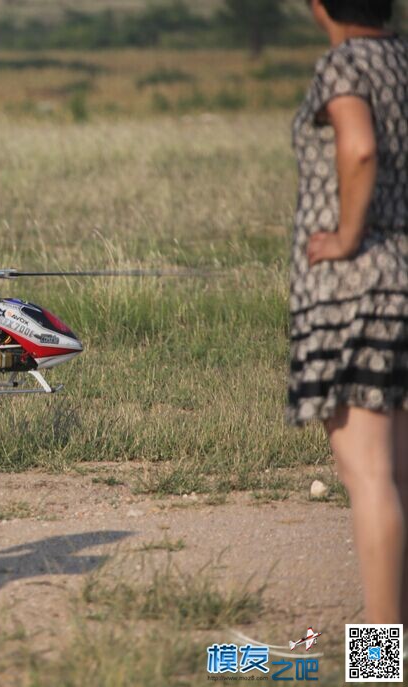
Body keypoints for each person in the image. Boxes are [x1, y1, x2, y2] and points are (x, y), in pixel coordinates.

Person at [288, 0, 407, 622]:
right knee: (397, 480)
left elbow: (358, 148)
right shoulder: (402, 60)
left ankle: (379, 664)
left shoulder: (346, 65)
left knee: (369, 478)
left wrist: (345, 237)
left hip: (364, 292)